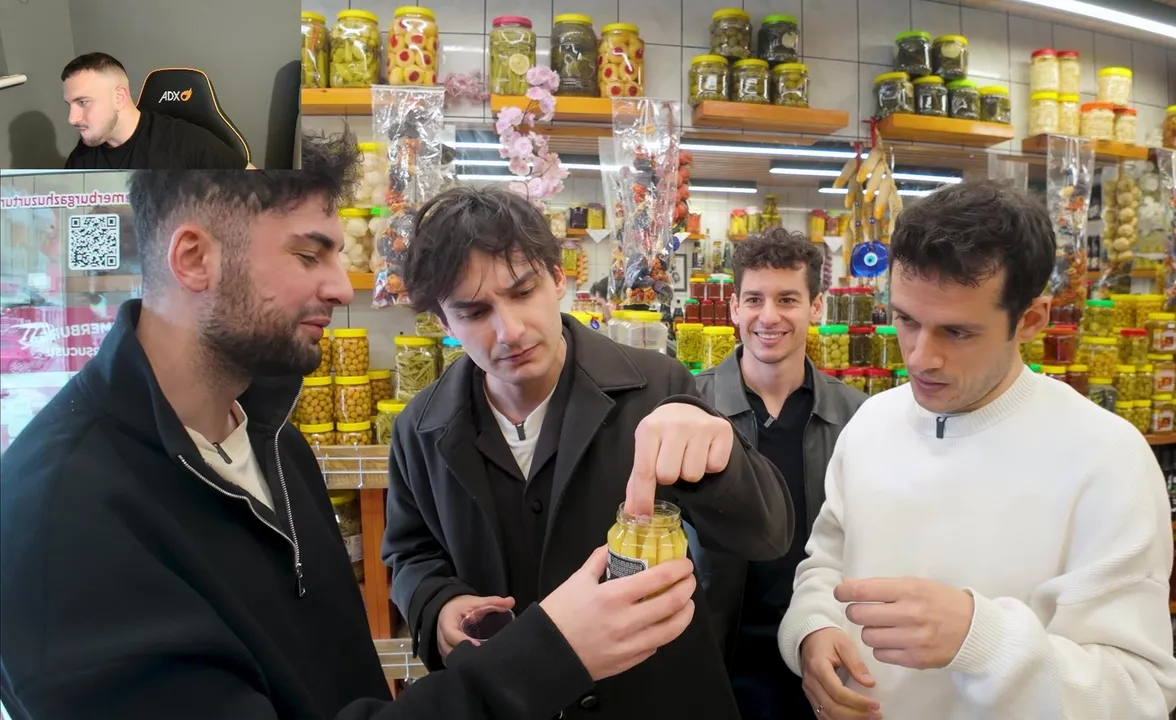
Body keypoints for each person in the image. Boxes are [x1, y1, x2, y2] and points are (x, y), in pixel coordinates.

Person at [0, 135, 699, 720]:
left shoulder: (275, 441)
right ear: (193, 258)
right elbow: (412, 553)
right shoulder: (56, 522)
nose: (341, 286)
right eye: (310, 255)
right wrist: (544, 651)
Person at [383, 185, 795, 720]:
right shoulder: (420, 428)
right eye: (474, 311)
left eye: (523, 291)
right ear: (444, 322)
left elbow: (767, 535)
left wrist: (723, 461)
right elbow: (411, 553)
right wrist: (438, 606)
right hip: (515, 703)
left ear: (558, 279)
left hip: (656, 698)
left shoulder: (657, 386)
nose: (509, 331)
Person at [779, 180, 1176, 720]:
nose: (919, 358)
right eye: (906, 320)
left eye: (958, 332)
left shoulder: (1107, 459)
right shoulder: (872, 422)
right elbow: (827, 564)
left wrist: (983, 641)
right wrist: (813, 630)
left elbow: (1138, 694)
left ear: (1031, 320)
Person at [692, 228, 864, 720]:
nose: (768, 316)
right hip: (713, 656)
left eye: (787, 299)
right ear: (733, 308)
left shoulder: (857, 418)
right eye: (754, 299)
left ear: (816, 307)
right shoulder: (691, 408)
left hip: (822, 652)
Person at [61, 52, 251, 170]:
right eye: (69, 105)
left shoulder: (185, 141)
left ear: (119, 97)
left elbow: (259, 189)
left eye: (83, 102)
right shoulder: (82, 157)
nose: (72, 119)